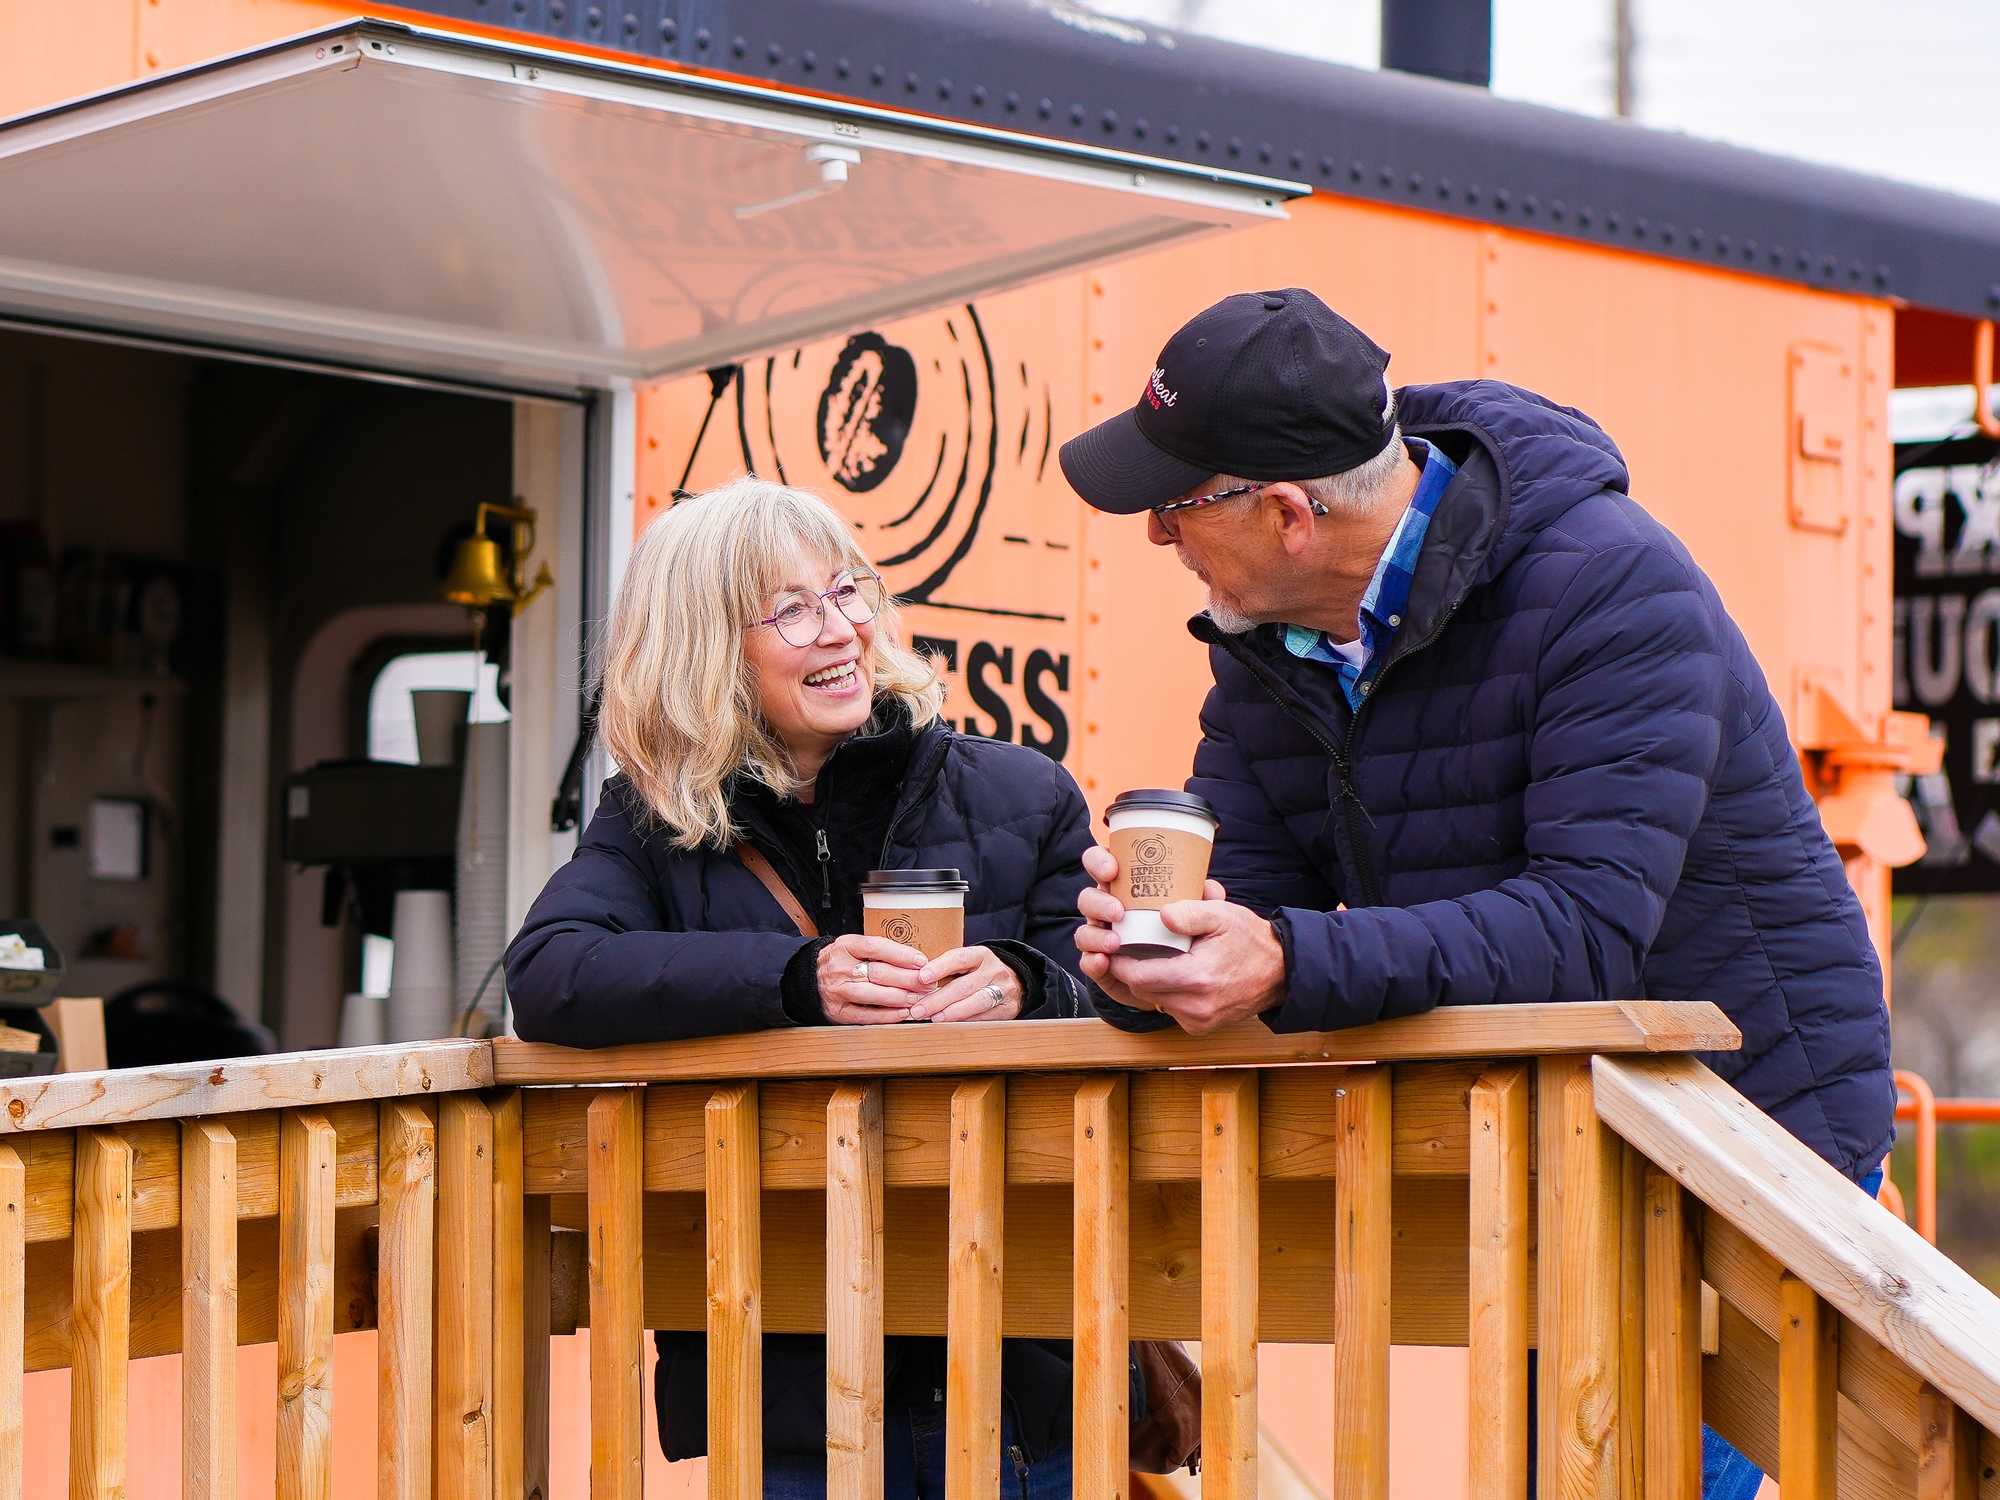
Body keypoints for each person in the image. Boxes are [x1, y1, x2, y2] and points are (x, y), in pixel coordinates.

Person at [1059, 288, 1894, 1500]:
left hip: (1736, 1142)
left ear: (1287, 514)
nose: (1153, 535)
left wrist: (1280, 961)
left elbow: (1581, 933)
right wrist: (1142, 957)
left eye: (1175, 504)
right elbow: (1248, 901)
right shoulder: (1266, 648)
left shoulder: (1613, 586)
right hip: (1553, 1144)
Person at [505, 477, 1094, 1499]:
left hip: (1015, 1354)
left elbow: (1113, 990)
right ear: (705, 648)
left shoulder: (1022, 790)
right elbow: (552, 973)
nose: (840, 629)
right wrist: (793, 980)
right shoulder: (654, 819)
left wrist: (1025, 983)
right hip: (783, 1370)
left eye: (845, 591)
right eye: (791, 610)